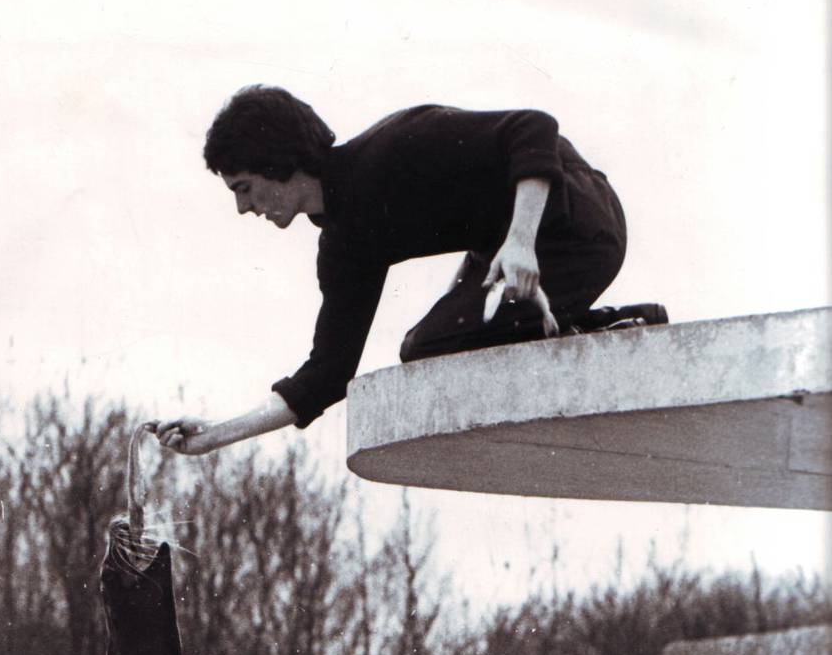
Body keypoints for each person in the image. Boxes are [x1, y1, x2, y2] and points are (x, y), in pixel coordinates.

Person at [155, 85, 664, 457]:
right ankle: (607, 326)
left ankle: (608, 332)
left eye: (243, 188)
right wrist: (218, 434)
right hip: (509, 249)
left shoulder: (394, 148)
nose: (244, 208)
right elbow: (328, 374)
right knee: (424, 350)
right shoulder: (344, 246)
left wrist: (520, 241)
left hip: (579, 224)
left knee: (435, 345)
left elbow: (533, 127)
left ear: (275, 162)